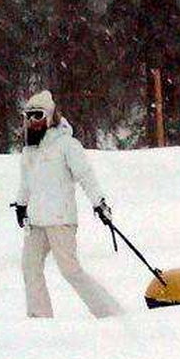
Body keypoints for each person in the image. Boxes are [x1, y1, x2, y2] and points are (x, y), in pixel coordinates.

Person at [13, 90, 123, 319]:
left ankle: (110, 313)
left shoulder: (67, 145)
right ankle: (40, 318)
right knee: (30, 267)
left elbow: (85, 176)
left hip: (61, 221)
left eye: (38, 115)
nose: (33, 122)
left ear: (51, 116)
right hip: (36, 222)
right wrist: (21, 205)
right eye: (29, 116)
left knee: (70, 270)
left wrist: (99, 203)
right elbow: (26, 182)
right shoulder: (29, 151)